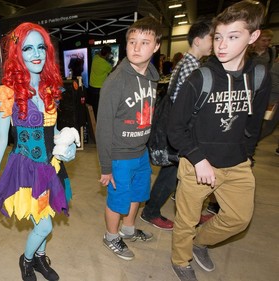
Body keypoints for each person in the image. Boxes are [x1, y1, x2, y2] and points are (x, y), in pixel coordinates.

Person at [167, 1, 270, 280]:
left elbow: (254, 123)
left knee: (239, 218)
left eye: (233, 37)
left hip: (236, 163)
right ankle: (181, 259)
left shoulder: (259, 75)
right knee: (186, 220)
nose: (222, 45)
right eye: (218, 37)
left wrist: (248, 157)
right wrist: (198, 159)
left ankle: (201, 242)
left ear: (253, 36)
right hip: (197, 162)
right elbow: (174, 127)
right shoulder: (201, 77)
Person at [0, 22, 78, 281]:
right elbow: (2, 138)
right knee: (44, 224)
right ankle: (26, 261)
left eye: (41, 48)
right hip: (25, 168)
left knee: (44, 217)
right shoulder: (8, 93)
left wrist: (67, 145)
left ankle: (38, 259)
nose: (36, 54)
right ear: (17, 53)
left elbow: (54, 131)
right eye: (27, 48)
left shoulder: (50, 89)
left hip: (50, 167)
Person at [96, 16, 161, 261]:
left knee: (138, 193)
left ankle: (128, 229)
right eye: (132, 41)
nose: (136, 47)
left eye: (144, 42)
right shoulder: (116, 81)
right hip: (119, 155)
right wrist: (105, 166)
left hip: (140, 151)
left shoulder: (152, 78)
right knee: (118, 199)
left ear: (155, 47)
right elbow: (103, 127)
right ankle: (111, 236)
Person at [140, 20, 213, 231]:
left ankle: (189, 212)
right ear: (198, 41)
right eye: (211, 38)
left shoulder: (188, 63)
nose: (214, 43)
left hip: (175, 127)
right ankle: (151, 211)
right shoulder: (191, 66)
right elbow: (186, 106)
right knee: (171, 173)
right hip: (179, 129)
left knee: (179, 174)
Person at [88, 45, 113, 117]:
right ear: (108, 54)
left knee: (93, 106)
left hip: (91, 86)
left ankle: (93, 119)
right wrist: (118, 64)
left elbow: (98, 53)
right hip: (100, 88)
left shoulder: (95, 58)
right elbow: (113, 70)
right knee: (100, 106)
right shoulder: (106, 65)